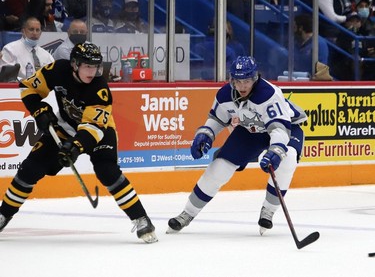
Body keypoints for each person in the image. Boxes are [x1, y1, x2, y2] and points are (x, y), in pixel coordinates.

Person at [0, 42, 158, 244]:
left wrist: (75, 148)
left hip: (99, 131)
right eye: (88, 66)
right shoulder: (57, 70)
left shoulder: (100, 89)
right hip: (65, 127)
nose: (93, 72)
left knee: (107, 171)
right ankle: (4, 214)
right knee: (30, 168)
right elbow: (28, 87)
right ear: (74, 64)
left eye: (96, 67)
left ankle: (141, 218)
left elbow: (92, 128)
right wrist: (39, 110)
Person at [167, 56, 307, 235]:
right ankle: (187, 214)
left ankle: (268, 211)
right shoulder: (224, 94)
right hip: (251, 130)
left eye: (247, 81)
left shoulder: (268, 94)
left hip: (287, 127)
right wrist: (205, 134)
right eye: (238, 81)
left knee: (288, 161)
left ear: (255, 78)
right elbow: (216, 120)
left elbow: (279, 129)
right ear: (231, 79)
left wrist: (276, 150)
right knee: (218, 168)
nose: (242, 86)